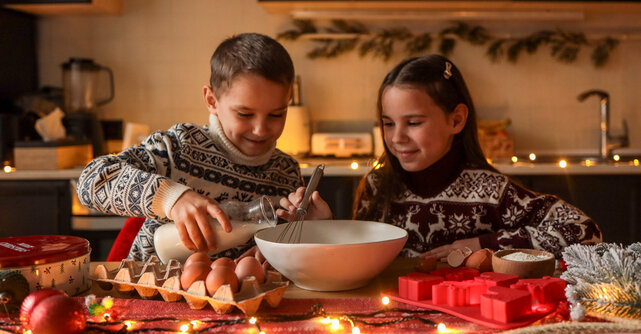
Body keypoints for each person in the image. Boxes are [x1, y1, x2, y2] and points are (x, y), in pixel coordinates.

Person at [278, 55, 601, 259]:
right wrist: (327, 229)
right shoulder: (379, 184)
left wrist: (483, 243)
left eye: (414, 122)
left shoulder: (490, 190)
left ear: (456, 120)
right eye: (388, 123)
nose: (397, 137)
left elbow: (583, 230)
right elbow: (364, 259)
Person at [77, 33, 304, 261]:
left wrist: (313, 227)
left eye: (276, 114)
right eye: (245, 114)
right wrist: (172, 198)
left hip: (241, 294)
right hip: (151, 291)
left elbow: (290, 256)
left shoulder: (286, 173)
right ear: (211, 101)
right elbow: (91, 181)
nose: (260, 129)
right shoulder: (179, 147)